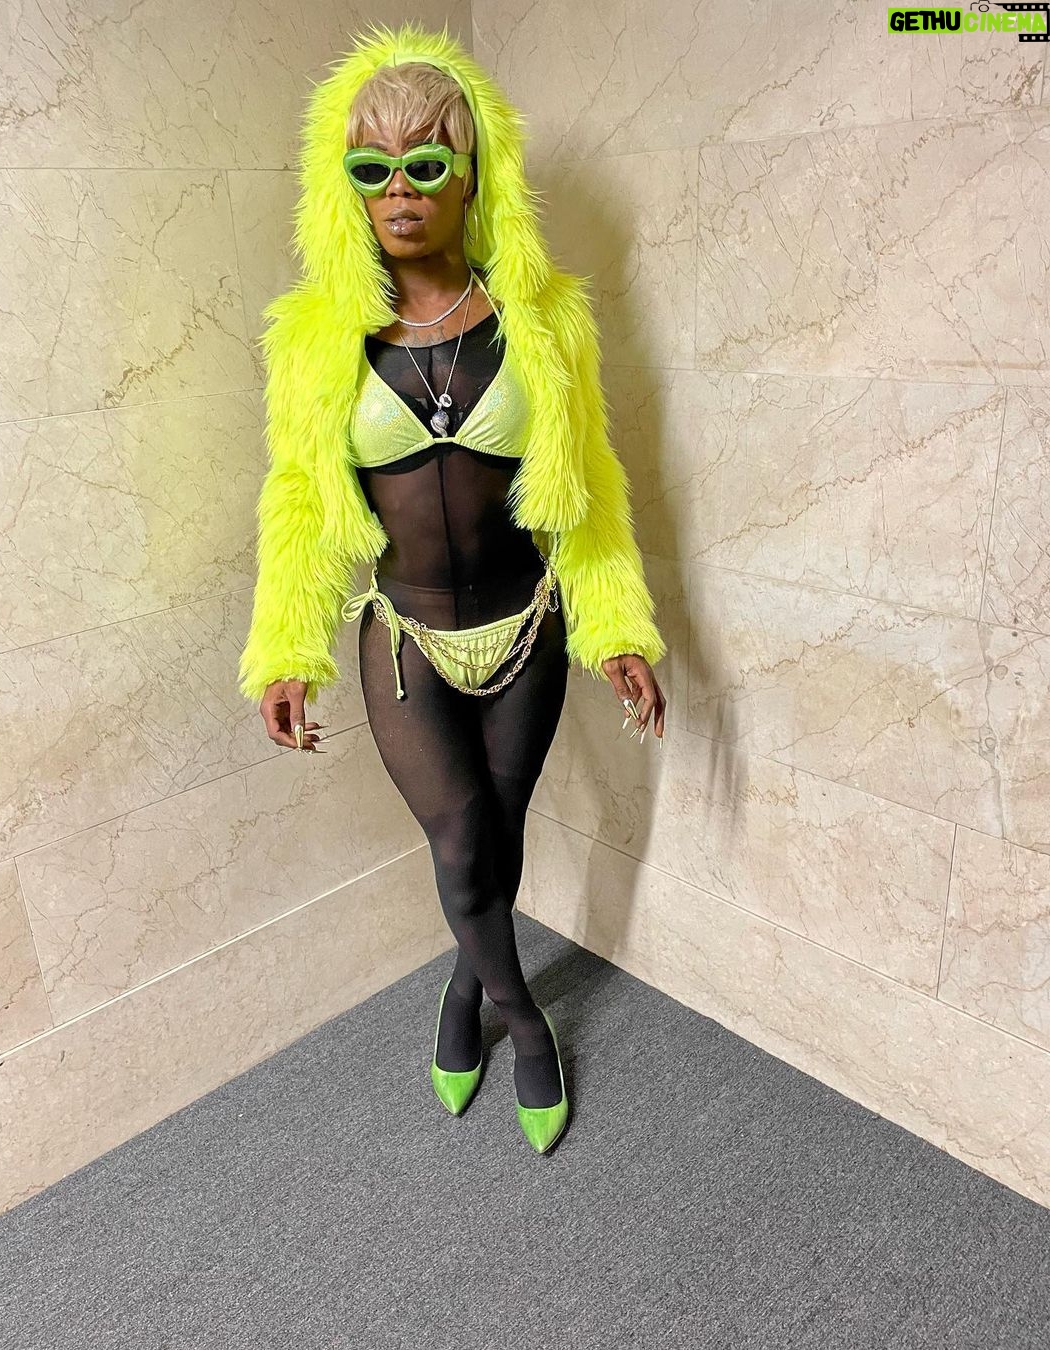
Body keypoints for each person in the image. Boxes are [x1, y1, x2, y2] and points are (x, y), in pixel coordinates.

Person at [237, 21, 667, 1154]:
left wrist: (618, 628)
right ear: (343, 184)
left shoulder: (543, 320)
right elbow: (298, 500)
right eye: (371, 166)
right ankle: (523, 1021)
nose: (399, 190)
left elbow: (589, 489)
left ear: (474, 175)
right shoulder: (316, 339)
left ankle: (464, 986)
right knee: (465, 839)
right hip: (406, 641)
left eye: (426, 162)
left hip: (530, 627)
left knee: (497, 836)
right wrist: (285, 649)